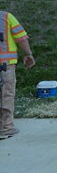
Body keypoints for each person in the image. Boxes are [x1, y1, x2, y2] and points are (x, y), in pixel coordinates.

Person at [0, 10, 35, 140]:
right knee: (6, 95)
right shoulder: (6, 17)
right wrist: (28, 54)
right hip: (5, 65)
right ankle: (5, 128)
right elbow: (21, 37)